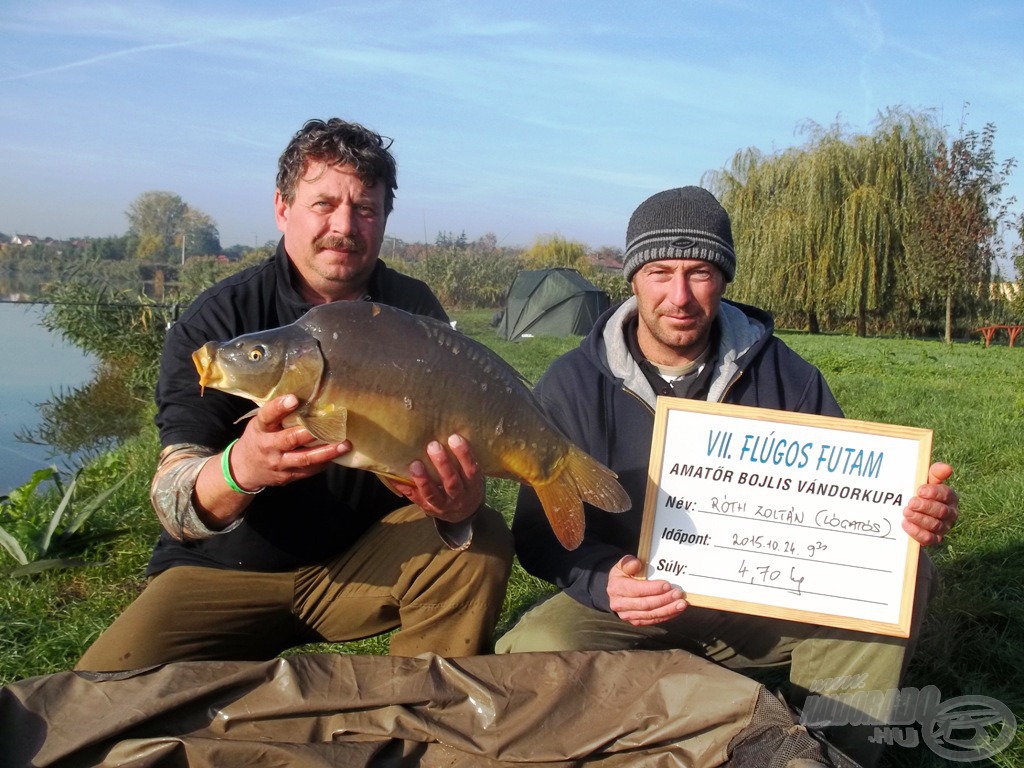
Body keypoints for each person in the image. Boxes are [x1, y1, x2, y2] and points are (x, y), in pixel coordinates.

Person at [496, 186, 959, 767]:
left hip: (765, 610)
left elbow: (851, 514)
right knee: (535, 649)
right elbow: (539, 535)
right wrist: (603, 583)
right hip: (631, 608)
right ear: (634, 277)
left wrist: (908, 517)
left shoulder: (789, 377)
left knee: (903, 576)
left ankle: (834, 747)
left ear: (725, 278)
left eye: (701, 272)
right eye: (660, 272)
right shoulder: (570, 384)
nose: (679, 296)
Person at [77, 118, 513, 671]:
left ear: (383, 219)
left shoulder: (410, 310)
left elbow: (450, 465)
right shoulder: (222, 323)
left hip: (360, 565)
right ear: (283, 209)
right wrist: (244, 467)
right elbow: (173, 503)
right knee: (99, 693)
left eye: (365, 209)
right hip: (220, 573)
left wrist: (458, 504)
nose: (345, 226)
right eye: (323, 204)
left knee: (481, 542)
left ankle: (429, 719)